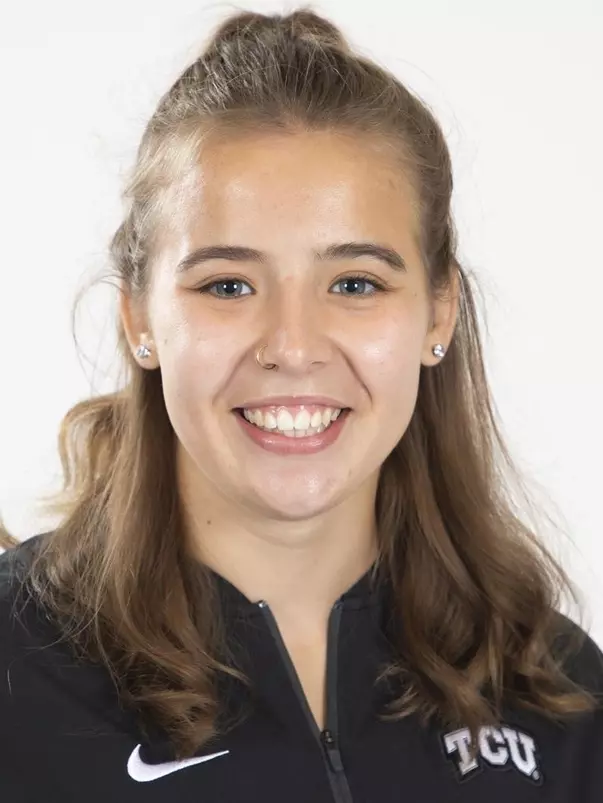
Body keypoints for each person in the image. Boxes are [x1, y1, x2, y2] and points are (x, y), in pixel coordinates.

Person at [1, 6, 602, 802]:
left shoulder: (558, 696)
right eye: (227, 285)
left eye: (354, 283)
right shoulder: (18, 670)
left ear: (438, 312)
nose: (292, 344)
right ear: (139, 318)